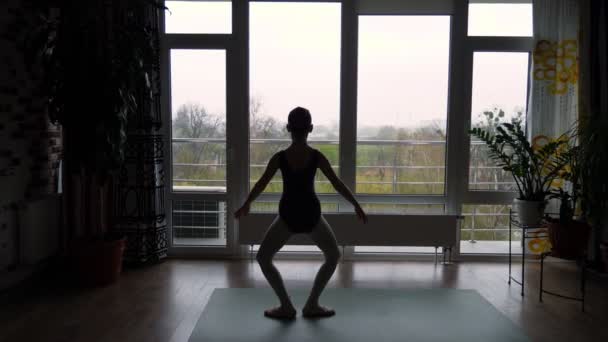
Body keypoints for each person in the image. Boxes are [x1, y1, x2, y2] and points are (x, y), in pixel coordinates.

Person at [235, 107, 368, 320]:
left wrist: (246, 204)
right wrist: (356, 205)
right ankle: (311, 304)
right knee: (333, 256)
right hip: (310, 215)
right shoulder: (316, 156)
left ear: (288, 128)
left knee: (263, 258)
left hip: (288, 215)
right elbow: (337, 184)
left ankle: (287, 306)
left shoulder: (279, 157)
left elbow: (261, 184)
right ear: (311, 129)